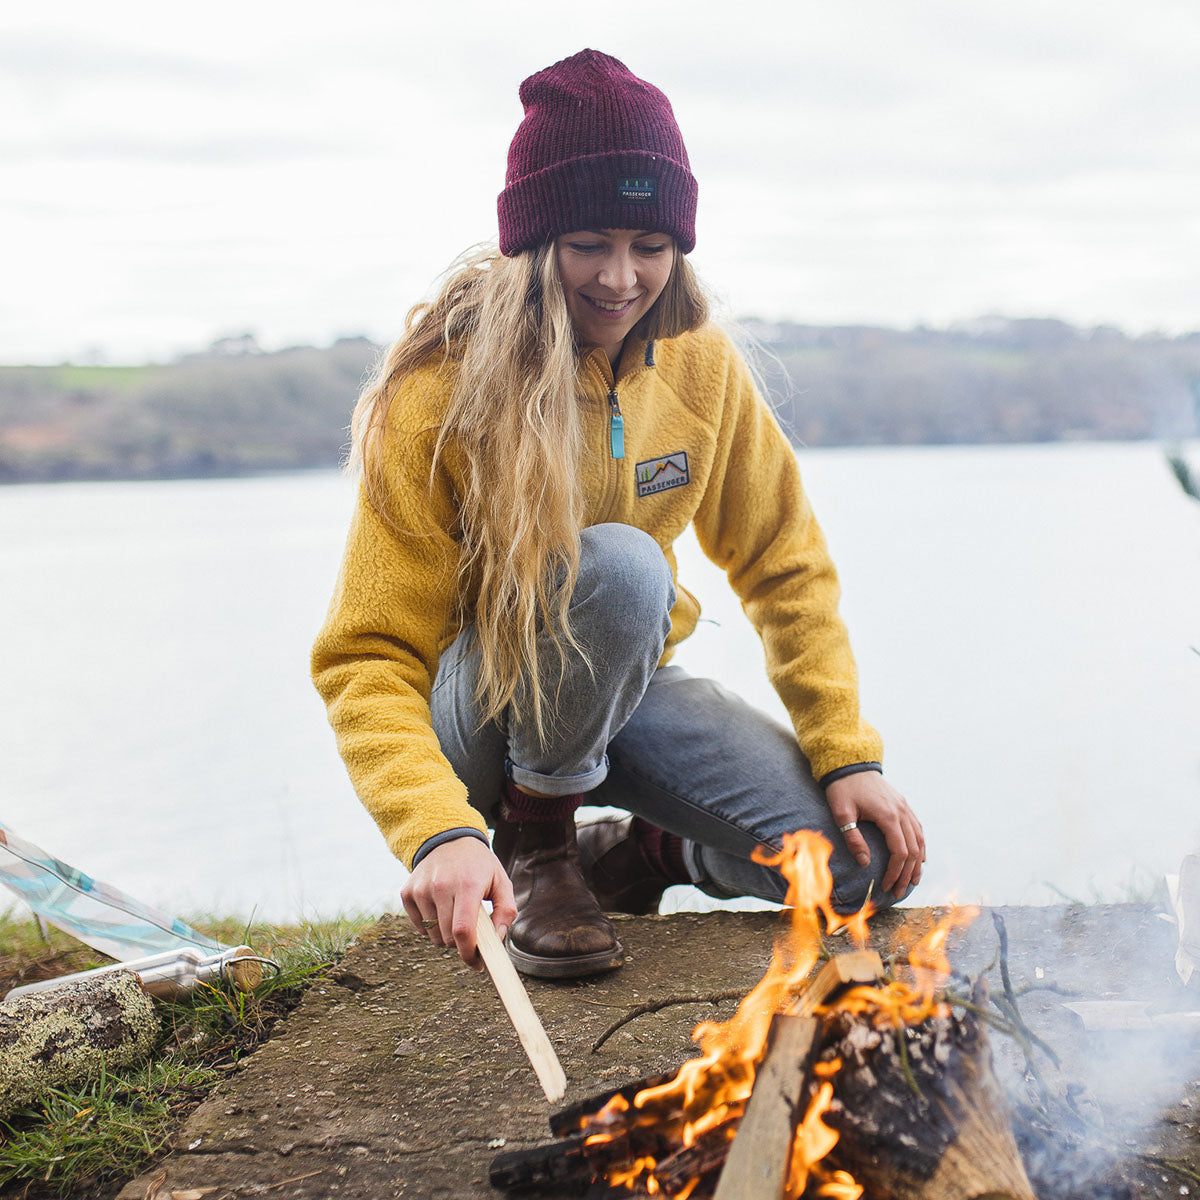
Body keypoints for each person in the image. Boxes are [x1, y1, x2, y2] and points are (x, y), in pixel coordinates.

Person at [311, 49, 925, 980]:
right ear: (533, 244)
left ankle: (637, 855)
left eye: (650, 245)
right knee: (621, 565)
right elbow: (368, 654)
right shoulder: (442, 390)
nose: (620, 277)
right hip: (477, 716)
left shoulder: (700, 366)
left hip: (616, 697)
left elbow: (781, 561)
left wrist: (846, 756)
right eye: (589, 242)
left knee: (855, 867)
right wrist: (434, 830)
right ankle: (540, 845)